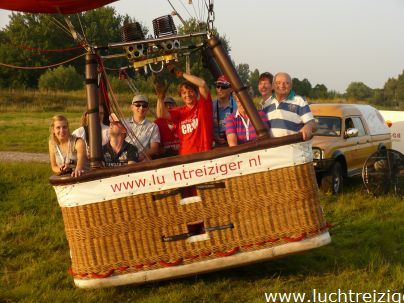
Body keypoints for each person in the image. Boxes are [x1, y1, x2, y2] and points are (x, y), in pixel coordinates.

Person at [156, 64, 213, 155]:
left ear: (196, 93)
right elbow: (160, 115)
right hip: (185, 156)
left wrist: (181, 74)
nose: (187, 95)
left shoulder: (203, 106)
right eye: (184, 93)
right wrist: (160, 98)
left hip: (204, 154)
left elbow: (202, 83)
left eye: (190, 91)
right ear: (181, 96)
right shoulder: (179, 111)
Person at [263, 72, 316, 140]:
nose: (282, 86)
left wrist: (308, 127)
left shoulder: (299, 101)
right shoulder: (266, 104)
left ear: (291, 86)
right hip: (273, 149)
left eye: (286, 83)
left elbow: (312, 123)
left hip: (293, 148)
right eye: (278, 83)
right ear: (273, 85)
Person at [126, 95, 160, 160]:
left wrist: (142, 155)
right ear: (132, 107)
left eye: (144, 106)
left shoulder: (153, 126)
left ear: (147, 108)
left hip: (142, 161)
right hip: (124, 160)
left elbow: (154, 148)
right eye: (138, 105)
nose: (141, 108)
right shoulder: (123, 123)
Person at [212, 75, 237, 146]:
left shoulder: (237, 106)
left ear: (231, 89)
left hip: (235, 144)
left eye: (223, 87)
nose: (220, 89)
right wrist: (214, 136)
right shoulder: (211, 106)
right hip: (217, 146)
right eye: (217, 86)